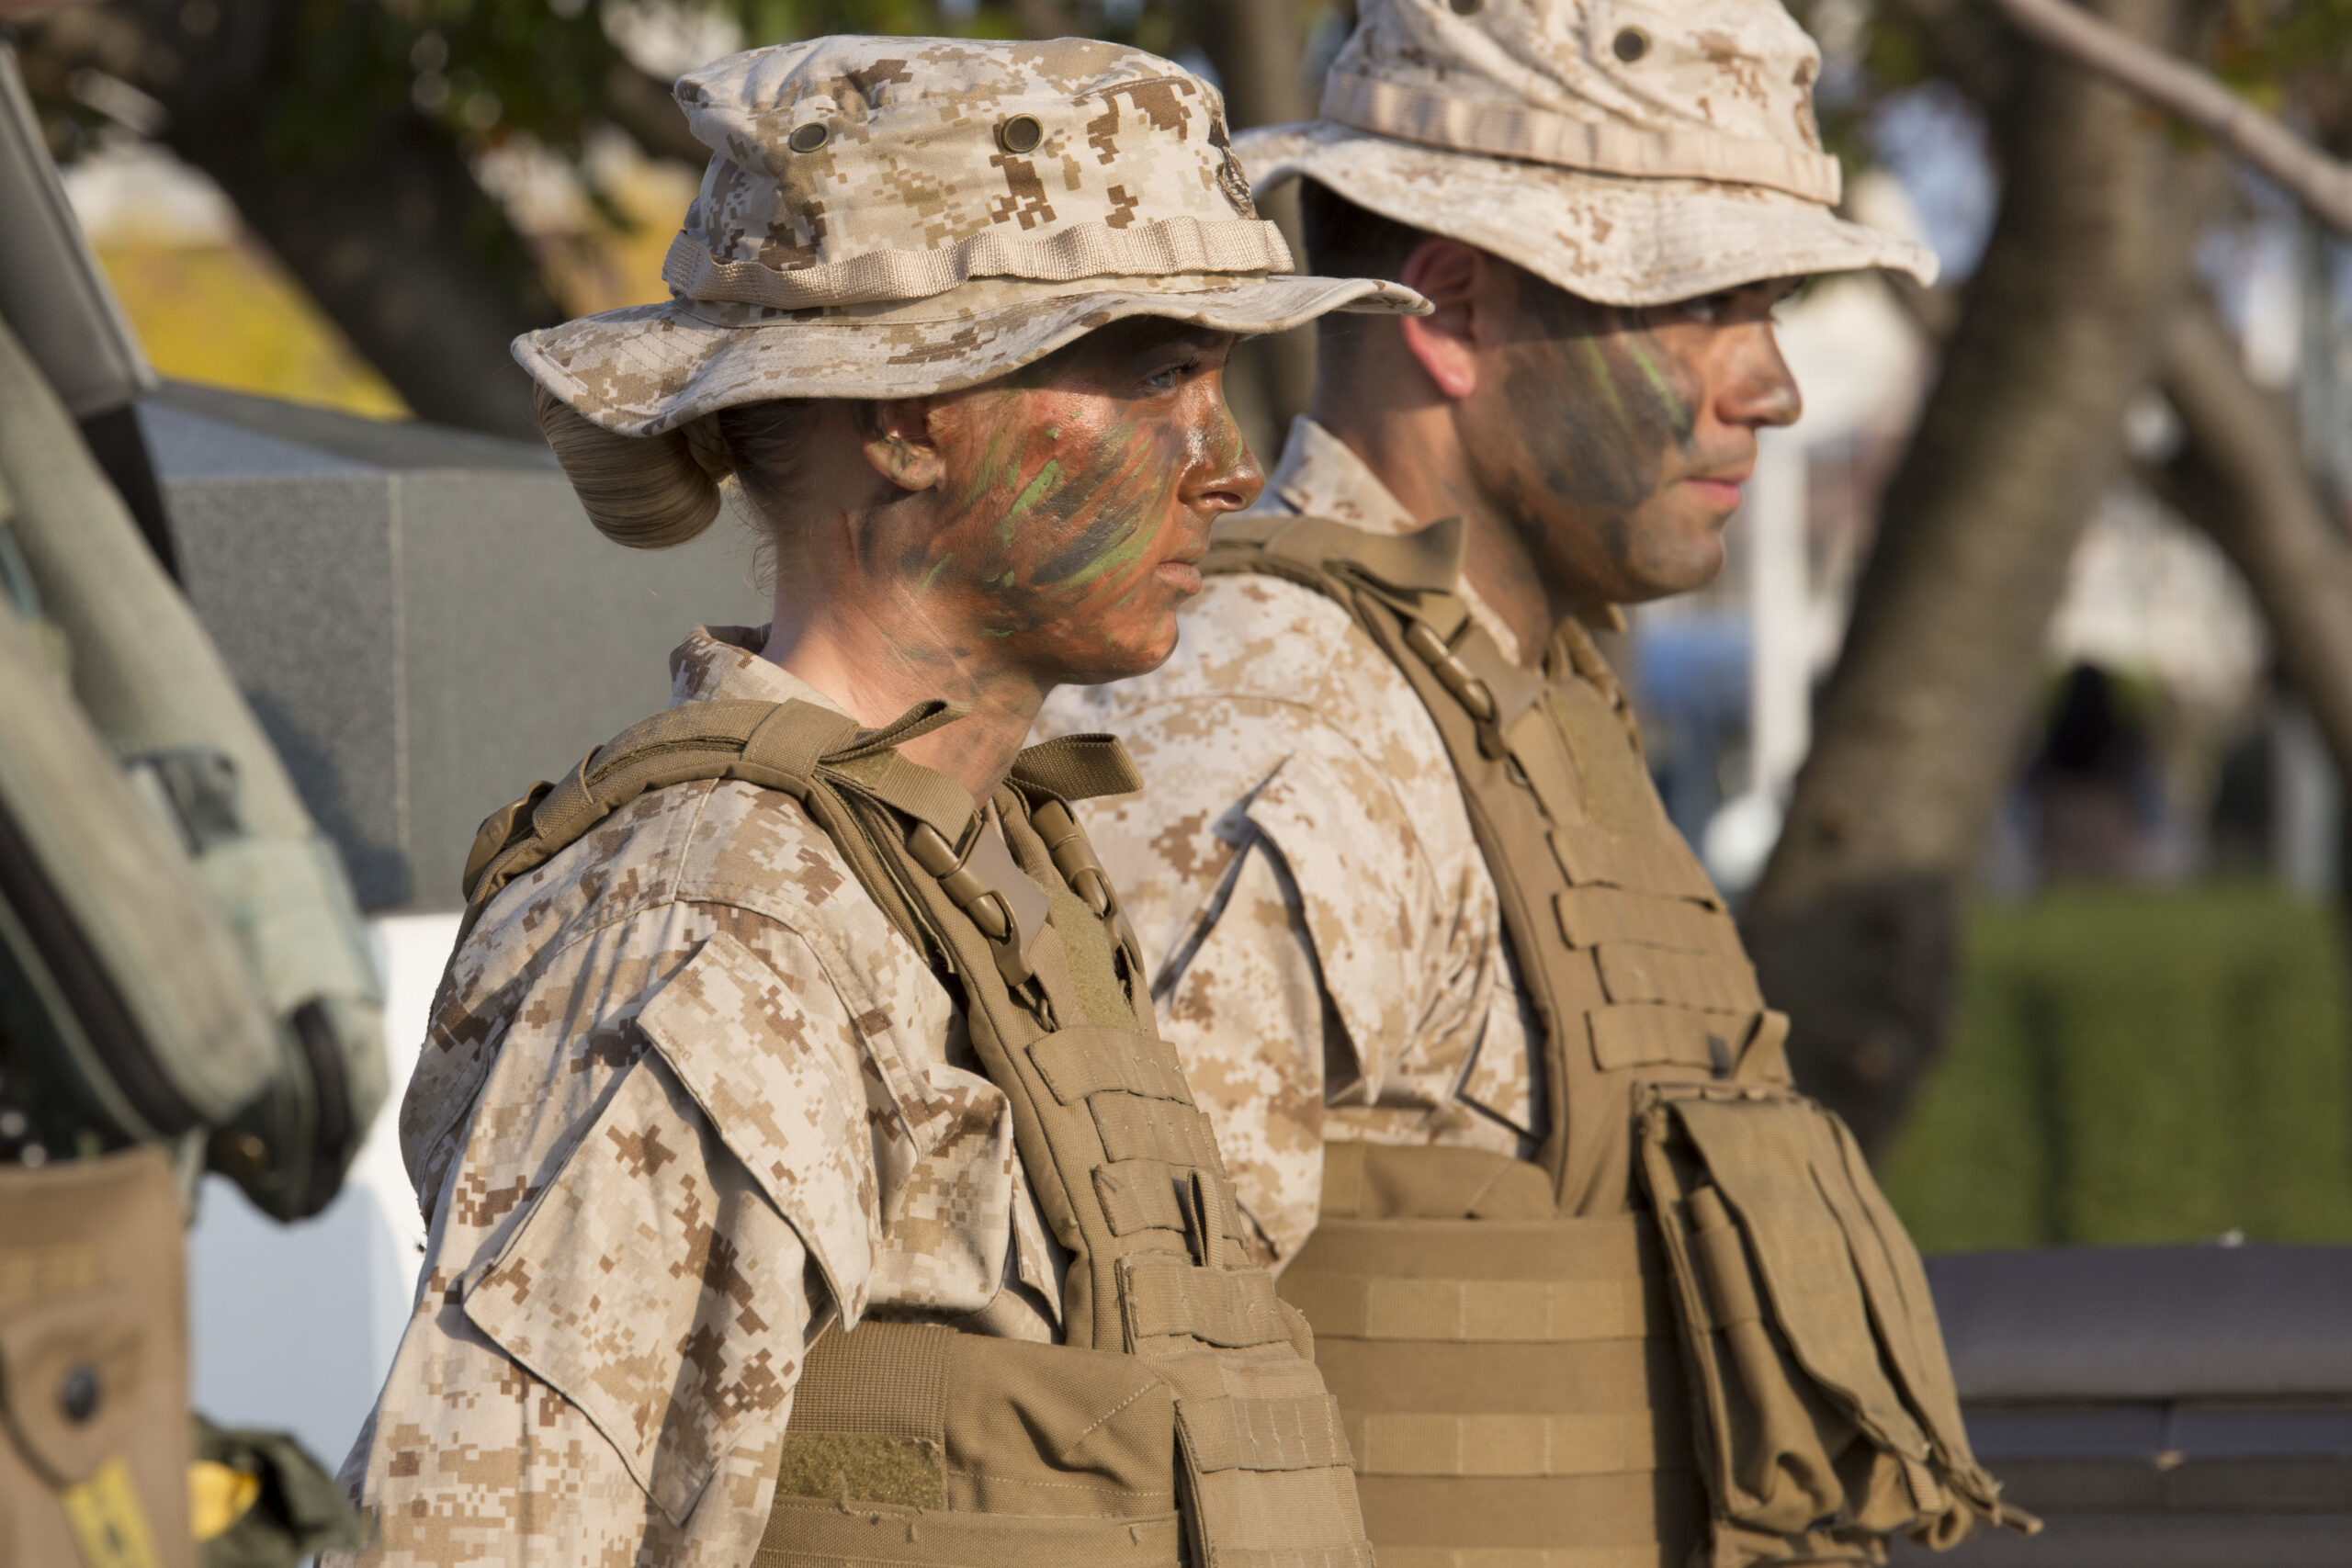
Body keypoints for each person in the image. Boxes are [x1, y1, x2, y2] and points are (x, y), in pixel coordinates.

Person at [331, 35, 1422, 1568]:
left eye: (1219, 377)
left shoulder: (1000, 875)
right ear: (910, 416)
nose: (1228, 462)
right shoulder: (720, 928)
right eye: (1159, 374)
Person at [1035, 2, 2034, 1563]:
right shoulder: (1287, 741)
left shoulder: (1517, 693)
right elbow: (1092, 1410)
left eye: (1771, 307)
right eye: (1703, 306)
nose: (1772, 387)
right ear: (1450, 308)